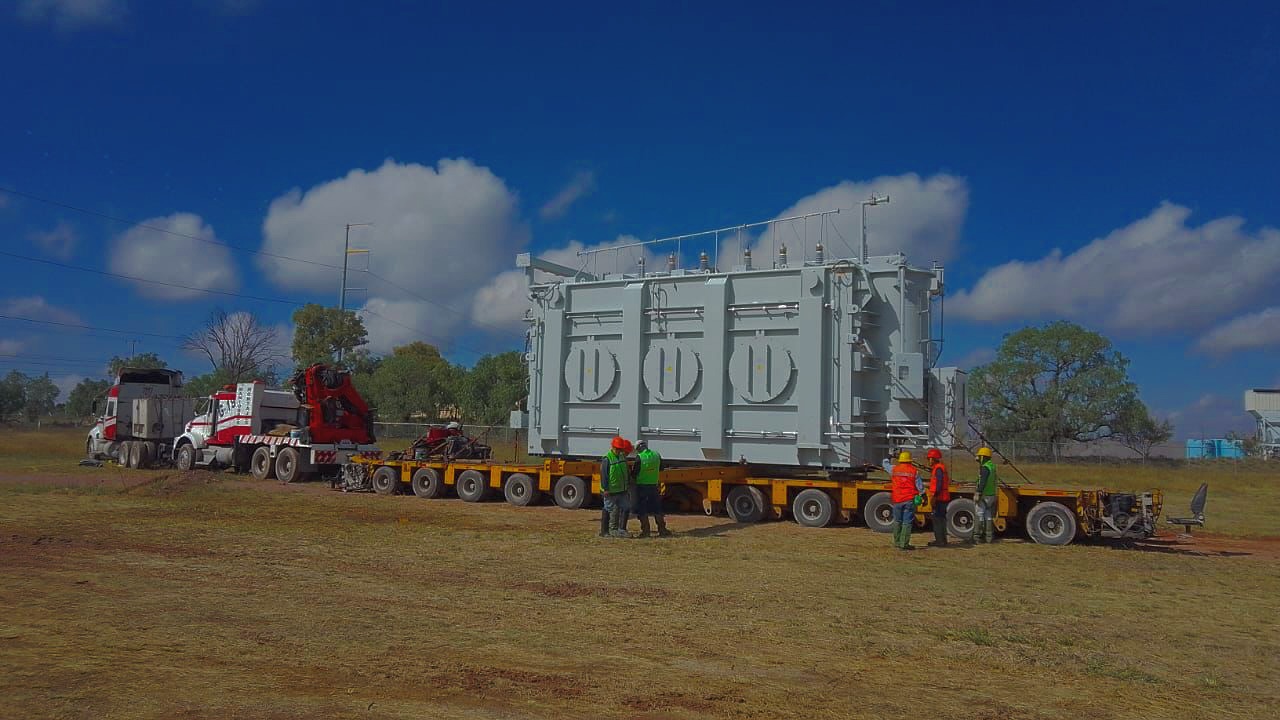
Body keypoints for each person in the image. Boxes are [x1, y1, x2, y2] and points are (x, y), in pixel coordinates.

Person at [633, 440, 671, 538]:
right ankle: (662, 530)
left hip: (642, 486)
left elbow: (634, 473)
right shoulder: (656, 455)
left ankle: (646, 532)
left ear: (638, 449)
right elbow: (661, 468)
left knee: (642, 509)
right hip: (654, 485)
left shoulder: (639, 457)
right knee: (657, 508)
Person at [889, 451, 923, 550]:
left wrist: (887, 457)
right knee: (907, 522)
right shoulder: (914, 471)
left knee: (897, 521)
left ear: (900, 460)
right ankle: (904, 544)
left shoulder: (894, 469)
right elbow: (920, 486)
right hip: (909, 499)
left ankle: (897, 542)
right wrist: (923, 495)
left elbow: (885, 465)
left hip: (897, 499)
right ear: (910, 461)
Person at [599, 436, 632, 538]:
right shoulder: (607, 459)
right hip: (610, 491)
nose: (618, 450)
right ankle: (604, 531)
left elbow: (626, 471)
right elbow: (604, 475)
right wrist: (605, 489)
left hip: (622, 490)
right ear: (612, 447)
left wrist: (627, 484)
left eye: (620, 449)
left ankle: (622, 530)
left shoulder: (622, 457)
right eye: (617, 448)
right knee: (608, 509)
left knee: (626, 507)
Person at [926, 448, 950, 547]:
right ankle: (943, 540)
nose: (929, 461)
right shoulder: (940, 467)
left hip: (939, 498)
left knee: (937, 520)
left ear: (934, 459)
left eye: (929, 458)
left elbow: (939, 485)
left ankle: (939, 541)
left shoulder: (938, 469)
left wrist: (934, 498)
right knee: (941, 519)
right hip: (942, 497)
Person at [973, 446, 998, 543]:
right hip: (991, 495)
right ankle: (989, 537)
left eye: (979, 456)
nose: (978, 458)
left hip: (984, 494)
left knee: (979, 514)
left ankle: (977, 537)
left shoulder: (985, 468)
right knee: (988, 515)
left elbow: (983, 481)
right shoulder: (992, 466)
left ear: (983, 457)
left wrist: (978, 493)